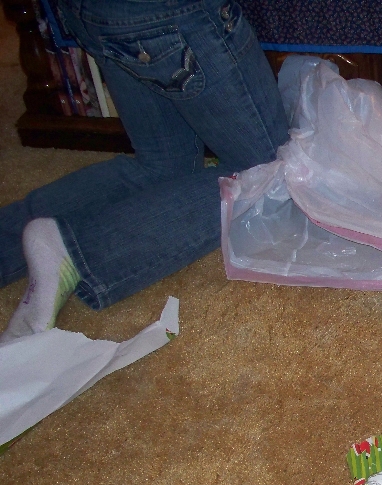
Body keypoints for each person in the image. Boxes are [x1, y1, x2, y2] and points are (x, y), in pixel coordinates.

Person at [0, 0, 289, 344]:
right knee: (269, 170)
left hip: (91, 12)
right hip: (165, 14)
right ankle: (77, 249)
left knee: (164, 163)